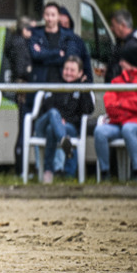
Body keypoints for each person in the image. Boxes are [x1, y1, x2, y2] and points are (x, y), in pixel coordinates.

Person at [33, 56, 95, 184]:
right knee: (53, 114)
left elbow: (88, 110)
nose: (68, 73)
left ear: (80, 73)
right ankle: (63, 142)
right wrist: (58, 119)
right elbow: (46, 106)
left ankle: (49, 171)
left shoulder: (81, 88)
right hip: (44, 123)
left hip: (67, 126)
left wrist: (84, 88)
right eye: (66, 69)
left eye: (72, 70)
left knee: (52, 130)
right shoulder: (55, 83)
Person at [94, 43, 137, 178]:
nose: (120, 63)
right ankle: (105, 173)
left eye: (123, 60)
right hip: (119, 123)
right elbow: (109, 106)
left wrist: (121, 105)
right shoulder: (116, 81)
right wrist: (128, 111)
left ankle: (136, 170)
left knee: (128, 129)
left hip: (130, 124)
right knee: (100, 131)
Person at [1, 16, 34, 174]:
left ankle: (21, 169)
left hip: (22, 91)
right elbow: (22, 70)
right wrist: (31, 70)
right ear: (25, 30)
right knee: (24, 130)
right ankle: (21, 169)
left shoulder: (16, 42)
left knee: (23, 128)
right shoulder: (20, 44)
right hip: (24, 92)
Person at [29, 2, 92, 85]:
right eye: (47, 15)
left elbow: (69, 58)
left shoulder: (69, 36)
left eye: (53, 15)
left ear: (58, 16)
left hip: (64, 84)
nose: (50, 18)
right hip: (40, 82)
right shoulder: (35, 34)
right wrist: (58, 53)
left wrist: (43, 57)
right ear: (43, 15)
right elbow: (35, 55)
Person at [57, 4, 94, 86]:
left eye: (66, 24)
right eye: (60, 24)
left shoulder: (78, 41)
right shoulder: (49, 39)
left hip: (75, 85)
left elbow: (86, 65)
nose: (63, 27)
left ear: (70, 24)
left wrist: (87, 81)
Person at [106, 9, 137, 83]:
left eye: (113, 25)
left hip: (128, 88)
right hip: (116, 86)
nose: (111, 28)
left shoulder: (134, 43)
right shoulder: (121, 42)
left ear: (122, 25)